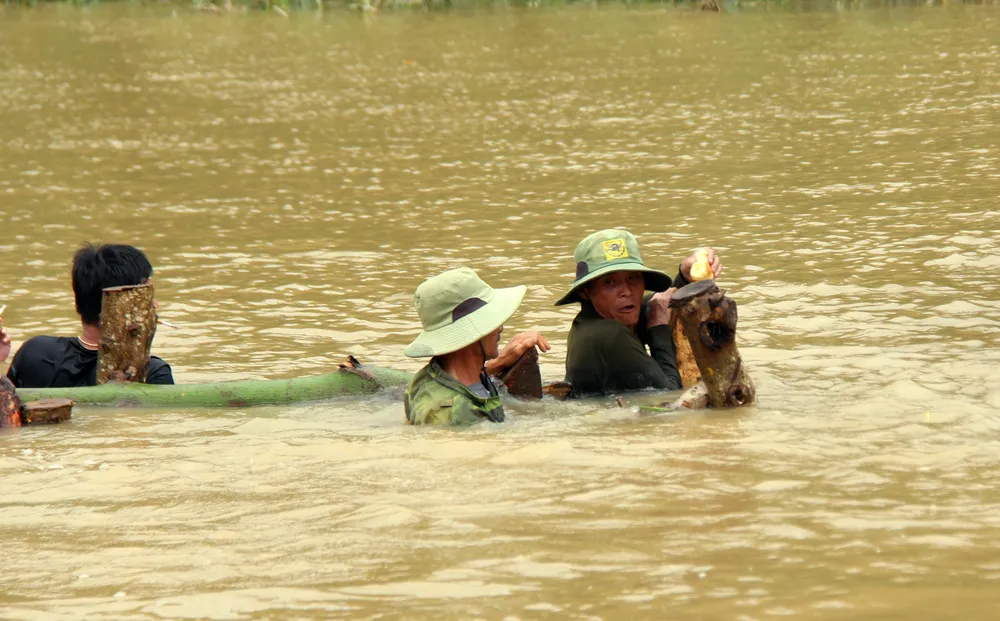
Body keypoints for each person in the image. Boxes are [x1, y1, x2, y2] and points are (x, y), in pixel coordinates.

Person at [556, 229, 722, 398]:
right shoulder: (609, 335)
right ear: (585, 291)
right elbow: (669, 393)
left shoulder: (595, 319)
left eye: (633, 277)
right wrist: (658, 328)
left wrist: (685, 278)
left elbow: (661, 304)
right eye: (610, 282)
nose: (627, 291)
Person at [1, 243, 174, 388]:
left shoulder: (36, 352)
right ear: (120, 304)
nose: (155, 305)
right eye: (147, 297)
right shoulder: (151, 373)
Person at [403, 267, 550, 425]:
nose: (500, 327)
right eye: (491, 321)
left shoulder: (426, 377)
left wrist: (499, 363)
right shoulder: (457, 415)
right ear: (469, 334)